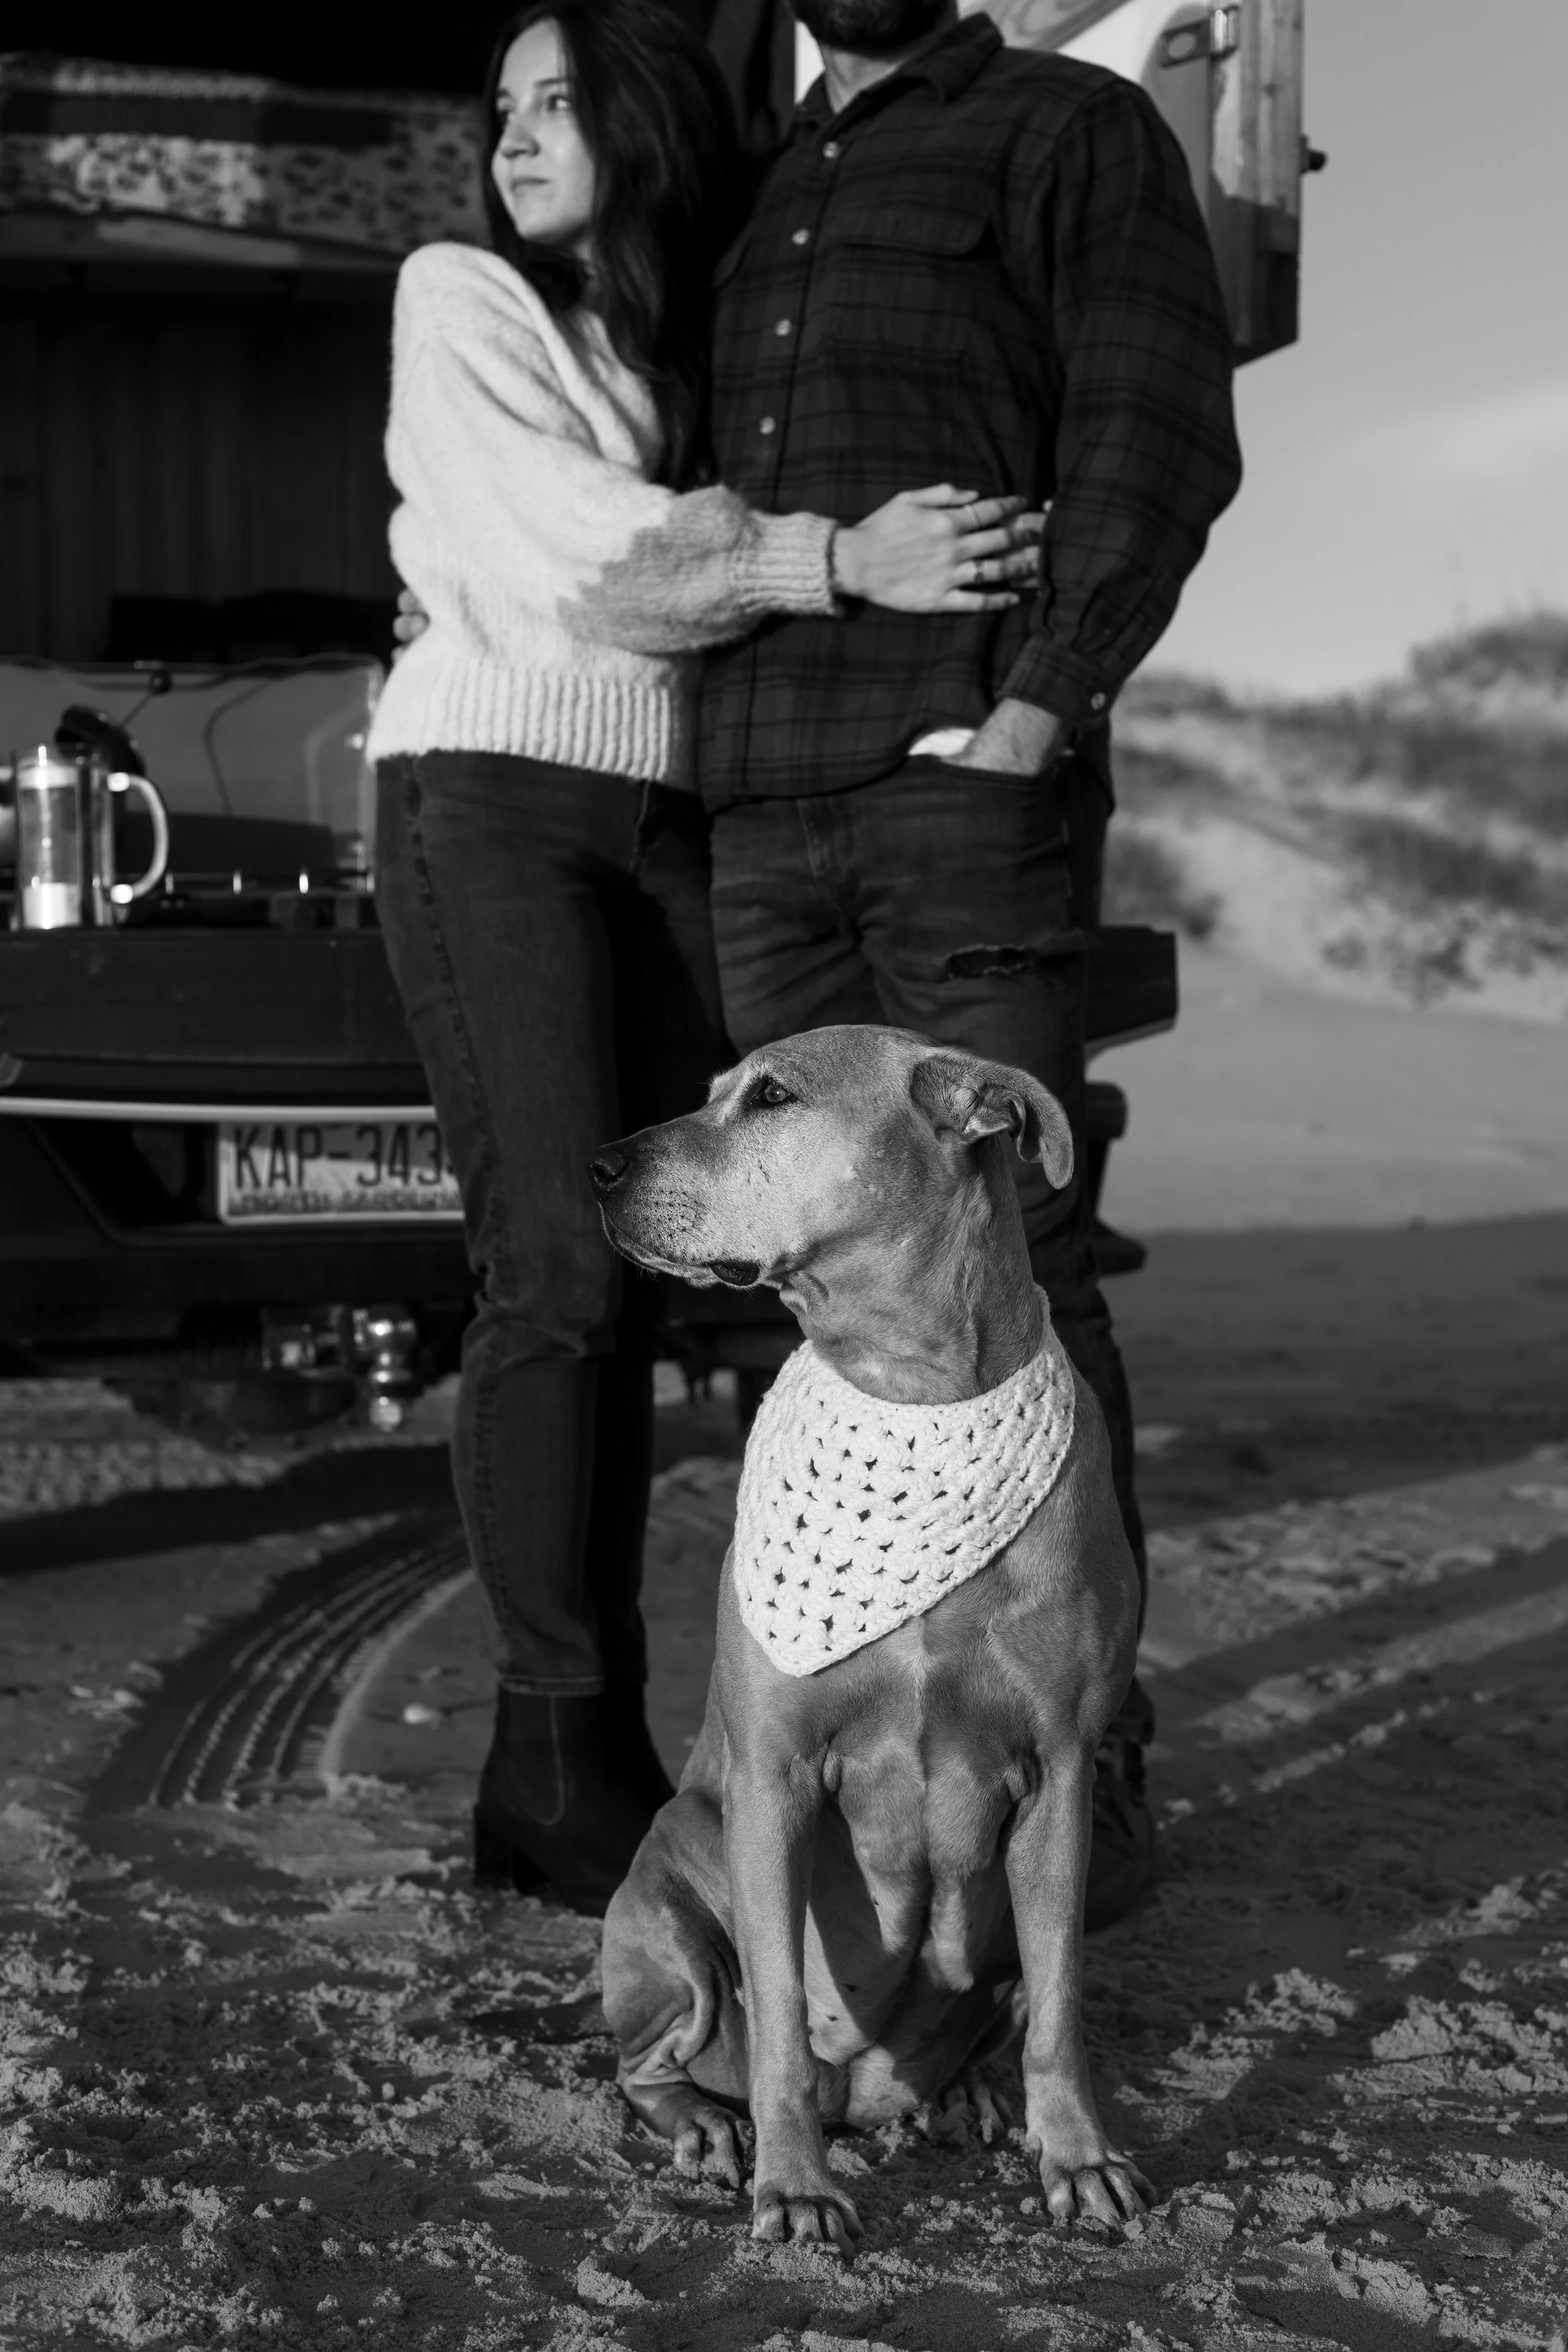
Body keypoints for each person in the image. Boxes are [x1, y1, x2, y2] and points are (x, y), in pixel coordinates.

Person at [366, 0, 1042, 1918]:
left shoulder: (664, 340)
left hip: (659, 816)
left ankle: (682, 1738)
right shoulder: (457, 293)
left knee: (683, 1259)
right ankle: (551, 1752)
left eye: (556, 98)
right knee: (556, 1275)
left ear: (643, 118)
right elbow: (567, 555)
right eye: (497, 102)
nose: (510, 132)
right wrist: (840, 562)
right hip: (486, 795)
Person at [695, 0, 1244, 1924]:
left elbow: (1155, 420)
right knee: (819, 1299)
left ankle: (1085, 1758)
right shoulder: (750, 183)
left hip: (956, 784)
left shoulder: (1063, 125)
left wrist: (1033, 707)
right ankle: (871, 1762)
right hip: (758, 806)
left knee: (1021, 1253)